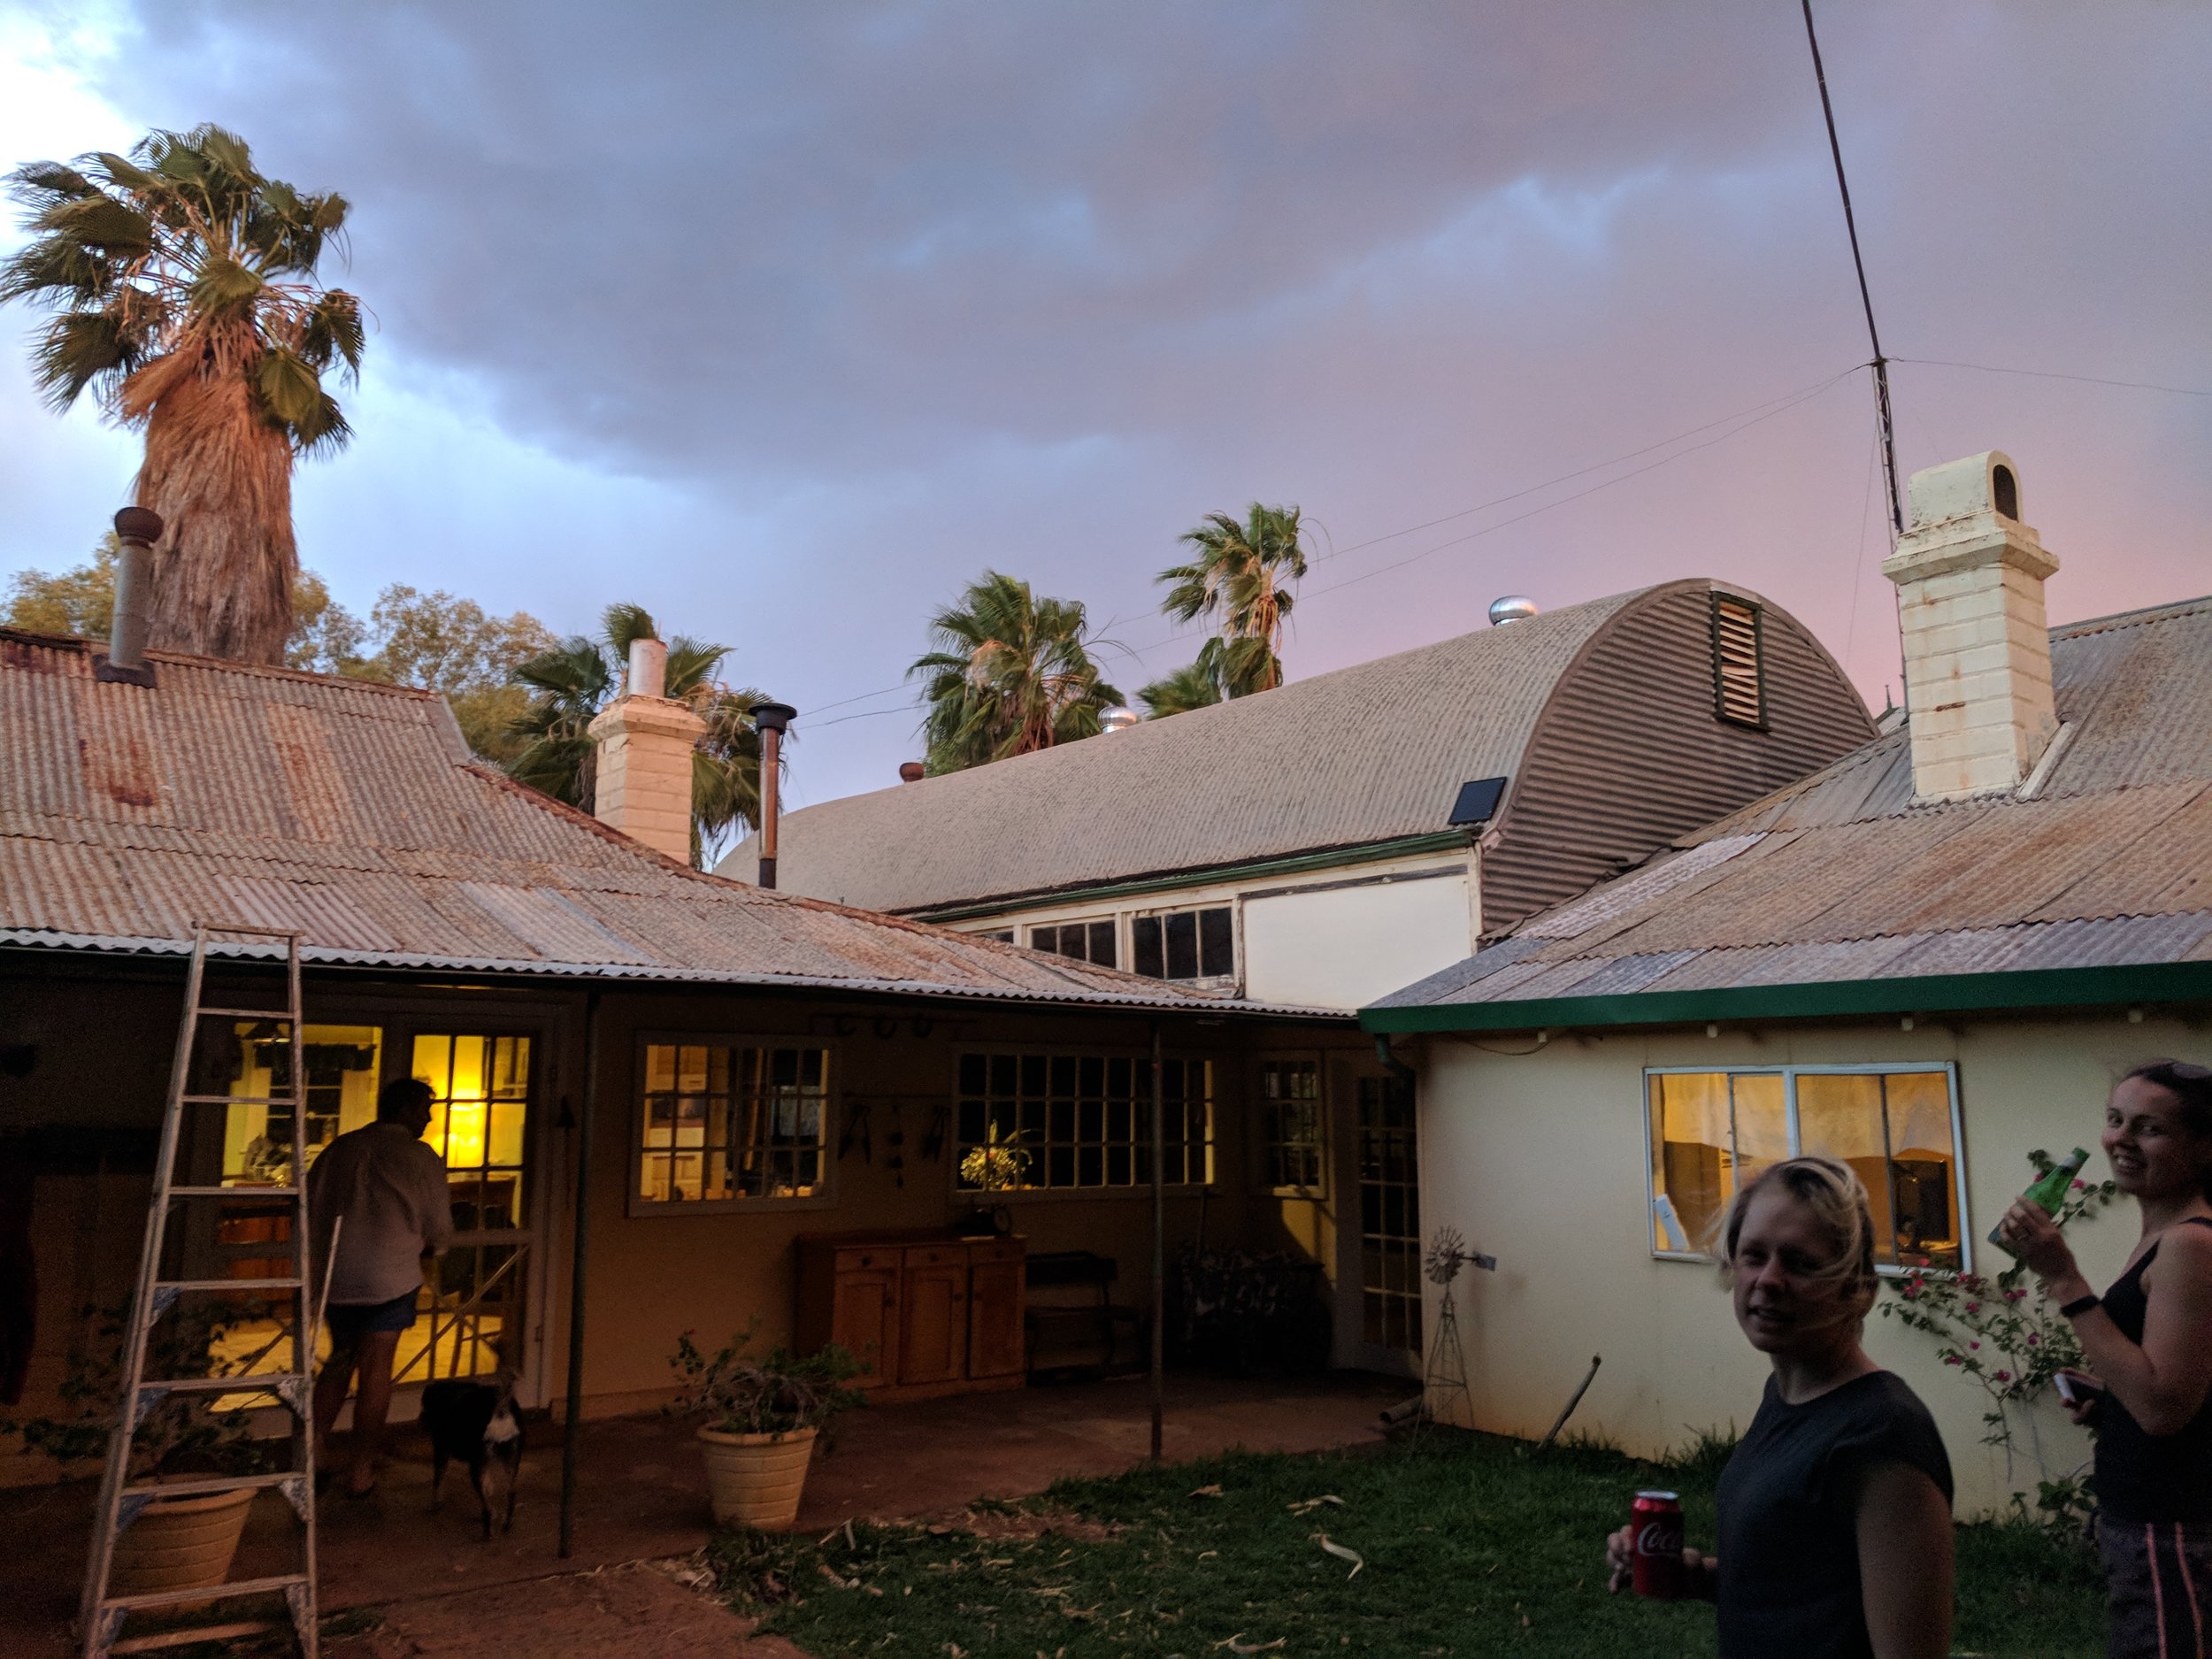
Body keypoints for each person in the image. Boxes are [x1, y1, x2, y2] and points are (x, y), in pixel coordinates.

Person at [1604, 1156, 1955, 1659]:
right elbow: (1795, 1584)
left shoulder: (1882, 1436)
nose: (1768, 1279)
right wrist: (1694, 1576)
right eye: (1754, 1255)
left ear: (1857, 1289)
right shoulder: (1789, 1396)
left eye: (1801, 1263)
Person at [2000, 1060, 2212, 1659]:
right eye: (2116, 1119)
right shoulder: (2165, 1235)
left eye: (2149, 1128)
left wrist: (2064, 1276)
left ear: (2200, 1148)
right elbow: (2178, 1382)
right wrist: (2108, 1397)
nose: (2120, 1137)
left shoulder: (2191, 1244)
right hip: (2149, 1518)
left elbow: (2164, 1408)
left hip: (2170, 1526)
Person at [308, 1076, 452, 1498]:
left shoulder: (339, 1150)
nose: (427, 1117)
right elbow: (438, 1224)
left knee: (340, 1360)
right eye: (424, 1108)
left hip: (338, 1275)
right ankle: (361, 1469)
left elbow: (311, 1204)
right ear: (405, 1109)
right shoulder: (418, 1157)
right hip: (390, 1275)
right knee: (376, 1371)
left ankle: (312, 1453)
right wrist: (436, 1251)